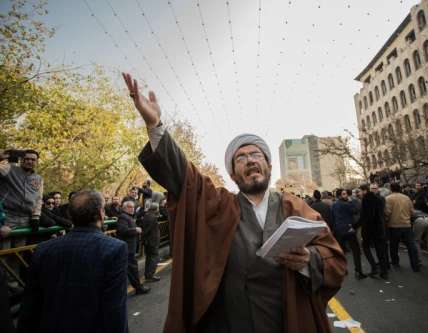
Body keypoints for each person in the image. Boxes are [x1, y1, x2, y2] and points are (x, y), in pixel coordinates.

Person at [123, 72, 347, 333]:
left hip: (287, 318)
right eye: (240, 158)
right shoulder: (219, 204)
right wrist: (155, 125)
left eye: (256, 155)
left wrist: (309, 260)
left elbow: (334, 259)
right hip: (230, 320)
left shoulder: (296, 207)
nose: (250, 160)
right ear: (232, 174)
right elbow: (185, 177)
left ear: (269, 166)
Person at [17, 190, 130, 333]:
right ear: (101, 214)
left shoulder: (43, 249)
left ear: (70, 216)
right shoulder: (114, 249)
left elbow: (30, 305)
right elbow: (115, 308)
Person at [0, 149, 42, 296]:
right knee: (3, 252)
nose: (30, 161)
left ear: (36, 161)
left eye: (33, 159)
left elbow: (39, 199)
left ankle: (12, 284)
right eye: (27, 159)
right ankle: (2, 288)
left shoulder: (38, 178)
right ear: (22, 159)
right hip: (7, 216)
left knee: (17, 254)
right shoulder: (9, 169)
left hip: (25, 218)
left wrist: (35, 217)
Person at [117, 201, 150, 295]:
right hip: (127, 247)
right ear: (124, 208)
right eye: (129, 207)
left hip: (129, 248)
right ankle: (138, 287)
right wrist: (135, 230)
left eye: (133, 207)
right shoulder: (123, 217)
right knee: (132, 268)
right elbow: (122, 230)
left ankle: (137, 287)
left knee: (129, 269)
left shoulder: (129, 217)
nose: (132, 208)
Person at [385, 183, 420, 272]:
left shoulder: (388, 198)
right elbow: (412, 212)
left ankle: (395, 261)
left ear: (391, 189)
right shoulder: (406, 198)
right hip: (406, 225)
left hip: (394, 225)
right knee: (410, 245)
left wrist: (386, 221)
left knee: (394, 245)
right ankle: (415, 265)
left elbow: (387, 212)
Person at [332, 189, 367, 279]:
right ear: (339, 196)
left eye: (346, 194)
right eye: (344, 194)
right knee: (356, 250)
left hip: (339, 229)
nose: (346, 195)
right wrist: (351, 202)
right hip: (349, 229)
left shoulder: (334, 205)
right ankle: (358, 271)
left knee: (342, 251)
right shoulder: (347, 204)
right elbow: (355, 211)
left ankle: (343, 269)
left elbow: (333, 217)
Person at [358, 185, 388, 279]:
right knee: (381, 251)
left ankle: (374, 267)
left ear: (364, 191)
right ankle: (384, 271)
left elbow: (365, 217)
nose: (359, 193)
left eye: (360, 191)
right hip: (379, 228)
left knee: (365, 248)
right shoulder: (378, 199)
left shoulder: (366, 200)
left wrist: (355, 226)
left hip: (369, 229)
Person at [142, 202, 161, 282]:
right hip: (152, 239)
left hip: (147, 240)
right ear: (156, 209)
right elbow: (150, 229)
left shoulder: (147, 215)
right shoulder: (153, 217)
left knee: (149, 257)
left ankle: (147, 274)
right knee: (154, 256)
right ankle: (151, 274)